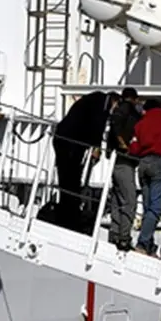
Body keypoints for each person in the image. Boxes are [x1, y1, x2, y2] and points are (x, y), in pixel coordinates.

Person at [52, 90, 115, 232]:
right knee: (70, 177)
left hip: (70, 141)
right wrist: (97, 147)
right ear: (114, 100)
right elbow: (97, 125)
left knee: (70, 177)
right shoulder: (101, 103)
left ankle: (68, 211)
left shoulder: (94, 100)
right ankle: (68, 214)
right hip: (69, 142)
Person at [130, 99, 161, 255]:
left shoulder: (140, 123)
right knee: (156, 208)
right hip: (160, 161)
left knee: (147, 206)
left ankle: (148, 244)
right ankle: (143, 244)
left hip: (143, 163)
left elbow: (134, 147)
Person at [106, 87, 141, 251]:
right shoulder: (127, 110)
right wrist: (123, 144)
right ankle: (124, 237)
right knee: (130, 200)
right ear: (134, 99)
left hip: (116, 161)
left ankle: (114, 232)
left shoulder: (121, 109)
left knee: (118, 198)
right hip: (125, 160)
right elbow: (116, 123)